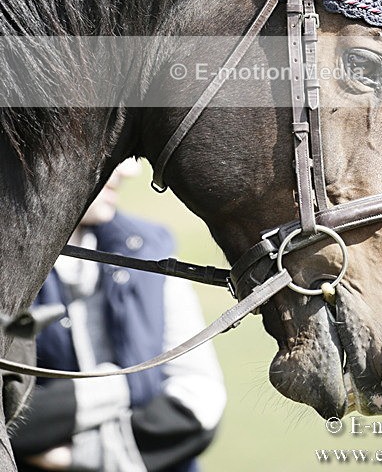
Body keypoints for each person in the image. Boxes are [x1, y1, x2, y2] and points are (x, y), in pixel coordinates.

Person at [10, 159, 226, 472]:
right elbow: (10, 421)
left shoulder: (150, 249)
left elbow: (199, 405)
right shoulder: (8, 272)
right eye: (110, 152)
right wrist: (120, 386)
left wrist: (74, 458)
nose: (129, 171)